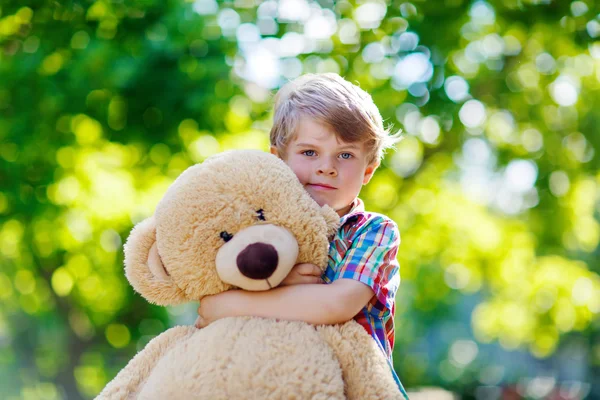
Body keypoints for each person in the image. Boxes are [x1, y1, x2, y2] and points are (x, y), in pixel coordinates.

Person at [161, 73, 406, 395]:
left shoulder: (372, 230)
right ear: (278, 159)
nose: (327, 167)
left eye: (345, 155)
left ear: (369, 170)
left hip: (348, 385)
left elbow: (337, 304)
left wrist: (226, 304)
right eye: (309, 152)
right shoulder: (257, 225)